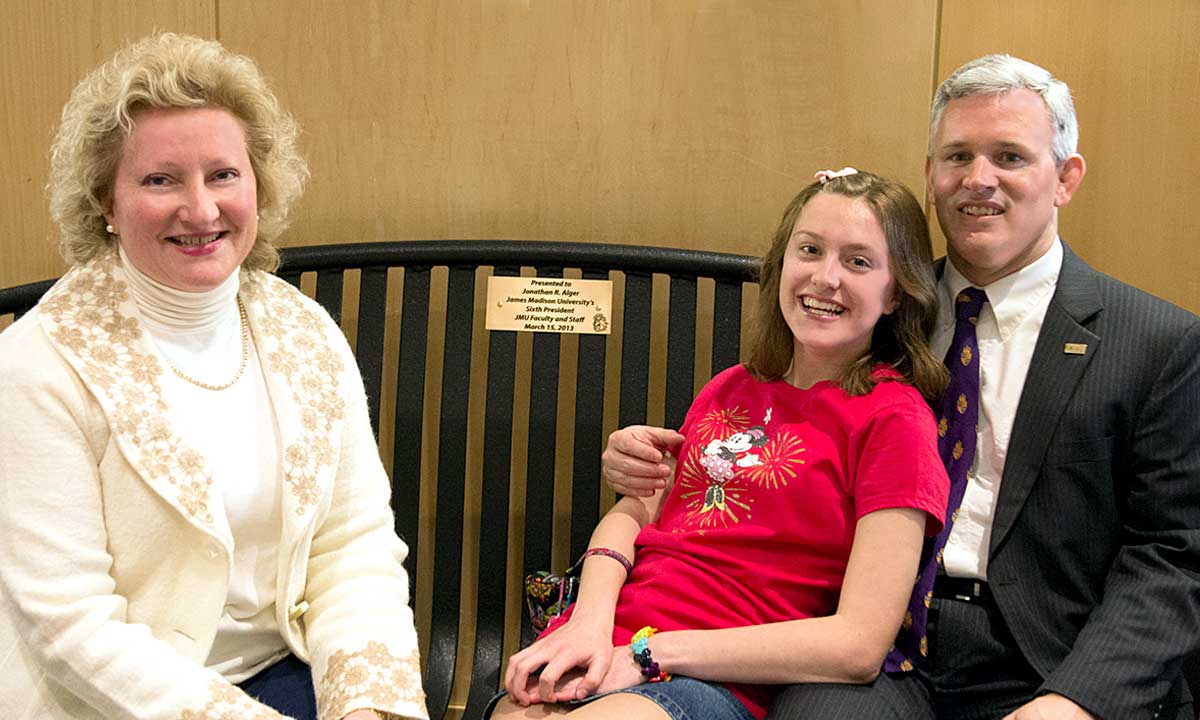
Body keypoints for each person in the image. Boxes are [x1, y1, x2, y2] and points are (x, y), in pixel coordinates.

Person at [607, 55, 1200, 720]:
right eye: (958, 156)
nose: (979, 180)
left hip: (1050, 660)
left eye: (1009, 156)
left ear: (1065, 178)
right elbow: (771, 435)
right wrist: (646, 463)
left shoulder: (1156, 343)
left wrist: (1077, 700)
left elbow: (1173, 558)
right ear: (930, 176)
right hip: (881, 650)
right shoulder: (872, 310)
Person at [0, 33, 427, 720]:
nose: (200, 211)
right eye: (160, 179)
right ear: (105, 203)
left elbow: (352, 544)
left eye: (223, 175)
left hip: (283, 672)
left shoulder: (303, 332)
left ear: (258, 183)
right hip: (96, 704)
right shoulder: (36, 367)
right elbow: (69, 625)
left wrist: (368, 707)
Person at [487, 169, 951, 720]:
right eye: (809, 250)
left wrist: (647, 654)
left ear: (897, 291)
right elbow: (634, 515)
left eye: (857, 261)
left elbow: (857, 647)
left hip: (708, 674)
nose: (825, 278)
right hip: (597, 642)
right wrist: (587, 620)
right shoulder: (731, 386)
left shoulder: (895, 419)